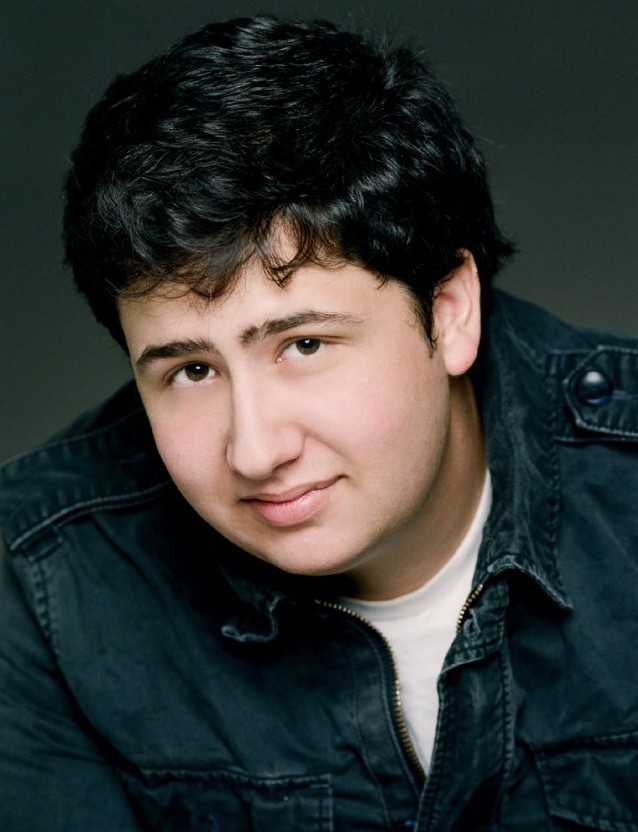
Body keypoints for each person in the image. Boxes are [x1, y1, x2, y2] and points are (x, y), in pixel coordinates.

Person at [1, 16, 637, 831]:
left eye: (303, 345)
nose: (256, 450)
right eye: (192, 370)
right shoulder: (47, 581)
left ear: (450, 310)